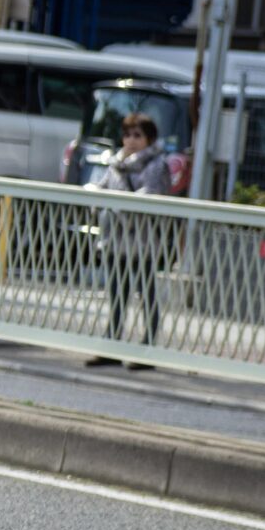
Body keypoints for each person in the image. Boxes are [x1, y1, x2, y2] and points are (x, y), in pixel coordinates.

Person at [91, 113, 176, 367]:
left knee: (146, 294)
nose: (131, 140)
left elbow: (150, 197)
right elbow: (101, 187)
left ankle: (147, 350)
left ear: (149, 139)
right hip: (116, 240)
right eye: (127, 134)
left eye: (137, 135)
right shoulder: (115, 163)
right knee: (117, 294)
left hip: (143, 242)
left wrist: (115, 207)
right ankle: (110, 346)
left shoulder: (157, 165)